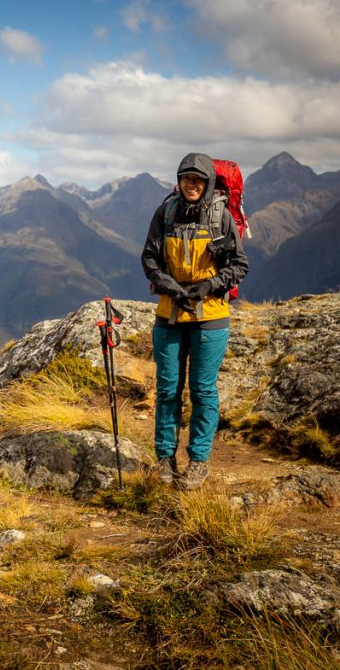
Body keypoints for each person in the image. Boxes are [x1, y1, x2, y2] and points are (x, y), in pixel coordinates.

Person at [141, 153, 248, 489]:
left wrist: (208, 287)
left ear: (208, 184)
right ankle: (165, 458)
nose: (192, 185)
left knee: (202, 391)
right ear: (179, 180)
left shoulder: (221, 217)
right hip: (170, 314)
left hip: (211, 317)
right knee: (168, 389)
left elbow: (239, 265)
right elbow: (149, 257)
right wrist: (171, 286)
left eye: (199, 181)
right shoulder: (166, 212)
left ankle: (198, 461)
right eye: (187, 179)